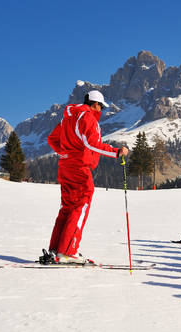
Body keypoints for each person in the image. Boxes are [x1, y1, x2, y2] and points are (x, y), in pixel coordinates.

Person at [42, 90, 128, 264]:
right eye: (101, 107)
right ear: (95, 104)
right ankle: (67, 251)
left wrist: (66, 153)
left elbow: (52, 139)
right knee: (81, 204)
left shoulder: (68, 116)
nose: (101, 112)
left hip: (65, 166)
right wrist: (117, 152)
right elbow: (92, 144)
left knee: (67, 207)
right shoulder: (88, 117)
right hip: (79, 168)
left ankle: (56, 249)